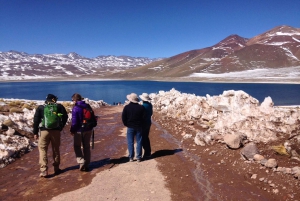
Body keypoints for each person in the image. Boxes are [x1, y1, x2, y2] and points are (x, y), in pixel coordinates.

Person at [33, 94, 68, 177]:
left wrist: (35, 132)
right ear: (54, 99)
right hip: (56, 131)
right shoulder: (59, 107)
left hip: (44, 131)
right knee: (56, 149)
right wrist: (61, 126)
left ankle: (44, 170)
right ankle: (56, 168)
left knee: (42, 149)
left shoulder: (41, 108)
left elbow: (36, 121)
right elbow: (65, 117)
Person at [70, 93, 94, 171]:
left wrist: (72, 130)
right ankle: (86, 164)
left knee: (77, 146)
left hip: (79, 131)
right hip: (88, 129)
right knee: (86, 146)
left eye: (72, 100)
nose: (72, 102)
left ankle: (81, 161)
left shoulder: (75, 108)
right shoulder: (87, 106)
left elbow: (74, 122)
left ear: (75, 100)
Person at [122, 93, 145, 162]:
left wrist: (126, 124)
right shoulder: (141, 107)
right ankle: (138, 157)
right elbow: (143, 118)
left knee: (130, 142)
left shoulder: (127, 107)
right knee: (139, 141)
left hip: (130, 126)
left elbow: (123, 117)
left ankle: (131, 157)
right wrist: (141, 124)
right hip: (139, 126)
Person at [139, 93, 153, 158]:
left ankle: (147, 152)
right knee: (146, 137)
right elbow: (151, 113)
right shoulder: (150, 105)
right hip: (148, 122)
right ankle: (148, 151)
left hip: (143, 123)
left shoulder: (142, 106)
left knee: (143, 138)